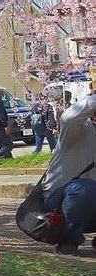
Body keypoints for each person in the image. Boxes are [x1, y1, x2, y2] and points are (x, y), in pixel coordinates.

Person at [38, 92, 96, 254]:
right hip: (59, 201)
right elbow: (69, 118)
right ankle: (68, 240)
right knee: (86, 189)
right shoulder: (75, 131)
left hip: (90, 206)